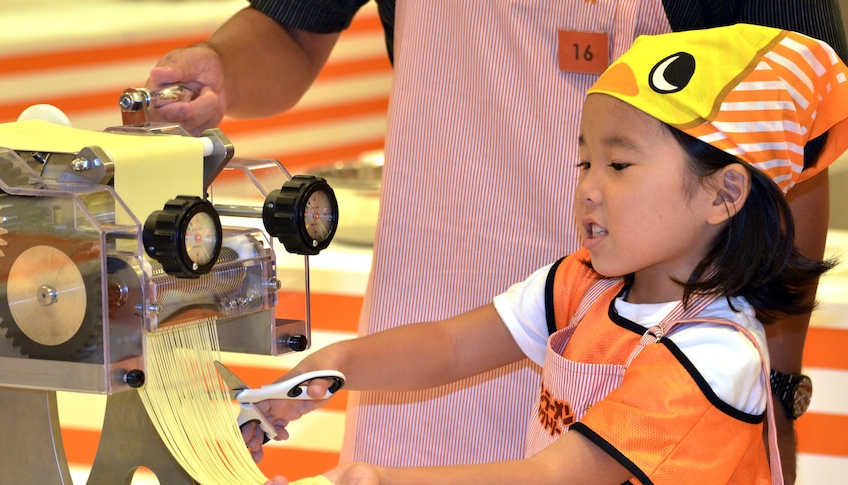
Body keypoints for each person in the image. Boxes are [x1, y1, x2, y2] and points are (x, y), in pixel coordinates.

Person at [143, 1, 847, 482]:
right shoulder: (582, 283)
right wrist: (325, 371)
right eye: (584, 162)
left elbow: (553, 475)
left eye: (621, 163)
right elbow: (449, 345)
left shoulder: (711, 353)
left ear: (725, 191)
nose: (589, 191)